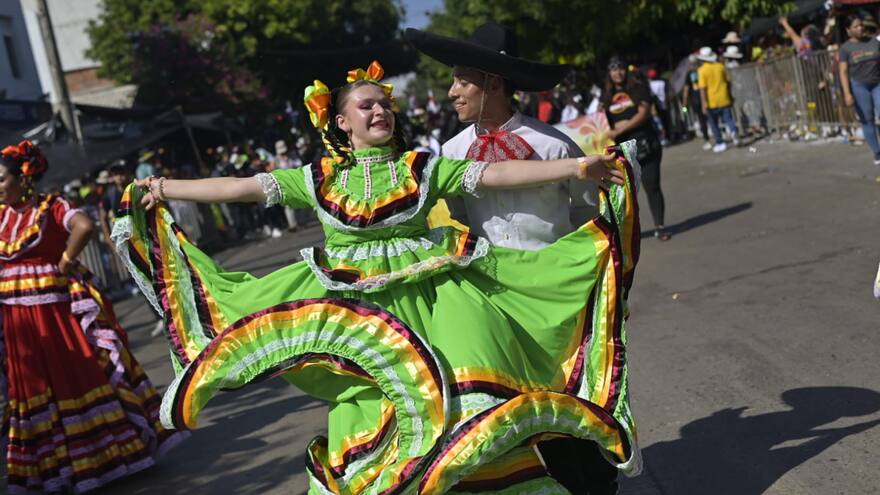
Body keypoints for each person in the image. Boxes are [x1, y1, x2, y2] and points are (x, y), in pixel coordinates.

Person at [113, 60, 642, 494]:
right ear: (342, 122)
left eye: (384, 103)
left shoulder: (422, 166)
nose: (379, 110)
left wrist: (577, 168)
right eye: (365, 105)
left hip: (439, 306)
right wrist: (168, 187)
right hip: (356, 318)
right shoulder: (317, 179)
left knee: (462, 406)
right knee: (374, 411)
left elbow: (497, 174)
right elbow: (241, 187)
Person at [406, 23, 616, 492]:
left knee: (573, 394)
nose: (451, 91)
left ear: (494, 84)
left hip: (557, 298)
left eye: (462, 80)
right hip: (495, 299)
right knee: (520, 404)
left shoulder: (554, 145)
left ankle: (595, 480)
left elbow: (587, 216)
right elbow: (458, 220)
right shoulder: (452, 153)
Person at [0, 141, 186, 493]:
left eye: (0, 179)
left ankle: (101, 457)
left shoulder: (51, 206)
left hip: (51, 313)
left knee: (72, 378)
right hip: (16, 319)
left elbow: (84, 226)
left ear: (23, 178)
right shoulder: (2, 214)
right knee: (33, 387)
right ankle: (56, 466)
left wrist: (67, 260)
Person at [603, 56, 670, 243]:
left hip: (645, 144)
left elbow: (644, 112)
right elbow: (599, 118)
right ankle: (626, 234)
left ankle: (660, 226)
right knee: (623, 194)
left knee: (652, 185)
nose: (618, 72)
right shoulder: (606, 95)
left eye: (621, 68)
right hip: (622, 150)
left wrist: (622, 127)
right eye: (613, 69)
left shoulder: (638, 87)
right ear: (609, 73)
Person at [839, 15, 880, 165]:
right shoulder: (845, 49)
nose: (860, 28)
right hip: (860, 86)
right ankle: (877, 153)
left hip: (877, 83)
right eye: (856, 26)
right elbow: (843, 71)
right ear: (848, 30)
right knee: (867, 119)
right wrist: (847, 93)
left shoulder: (873, 42)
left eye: (861, 25)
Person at [696, 46, 739, 152]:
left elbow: (702, 88)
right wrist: (729, 95)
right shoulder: (720, 66)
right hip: (724, 97)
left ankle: (720, 142)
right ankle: (733, 131)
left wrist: (703, 103)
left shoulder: (702, 70)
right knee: (729, 119)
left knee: (713, 123)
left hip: (711, 101)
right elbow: (728, 82)